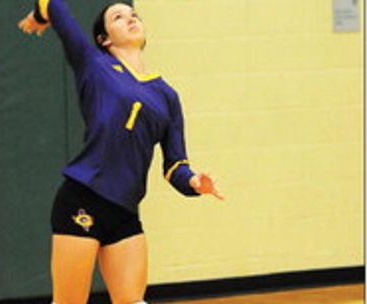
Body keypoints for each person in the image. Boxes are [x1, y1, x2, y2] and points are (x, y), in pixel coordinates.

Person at [18, 1, 224, 303]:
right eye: (118, 17)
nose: (130, 18)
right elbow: (54, 4)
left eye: (133, 14)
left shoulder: (167, 95)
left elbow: (175, 166)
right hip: (83, 198)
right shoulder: (93, 63)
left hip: (124, 211)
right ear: (104, 39)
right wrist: (39, 16)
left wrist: (194, 182)